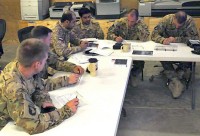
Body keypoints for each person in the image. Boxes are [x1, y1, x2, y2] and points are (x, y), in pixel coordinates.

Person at [0, 38, 79, 134]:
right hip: (5, 126)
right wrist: (66, 110)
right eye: (45, 60)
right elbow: (34, 125)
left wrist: (42, 99)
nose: (46, 63)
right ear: (37, 64)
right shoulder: (15, 89)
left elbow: (38, 85)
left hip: (16, 113)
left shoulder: (22, 66)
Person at [151, 11, 199, 98]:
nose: (177, 27)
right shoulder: (166, 19)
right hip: (168, 49)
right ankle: (177, 81)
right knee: (162, 56)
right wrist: (162, 40)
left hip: (183, 50)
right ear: (174, 18)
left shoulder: (189, 22)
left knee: (189, 57)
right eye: (175, 24)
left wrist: (176, 39)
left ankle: (175, 77)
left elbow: (195, 39)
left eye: (180, 26)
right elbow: (154, 34)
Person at [107, 8, 150, 87]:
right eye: (128, 20)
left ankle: (133, 74)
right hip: (121, 49)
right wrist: (115, 37)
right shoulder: (120, 22)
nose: (129, 23)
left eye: (132, 21)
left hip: (135, 49)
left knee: (140, 63)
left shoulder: (141, 25)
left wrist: (137, 27)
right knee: (112, 60)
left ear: (137, 19)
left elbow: (145, 38)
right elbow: (109, 33)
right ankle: (121, 74)